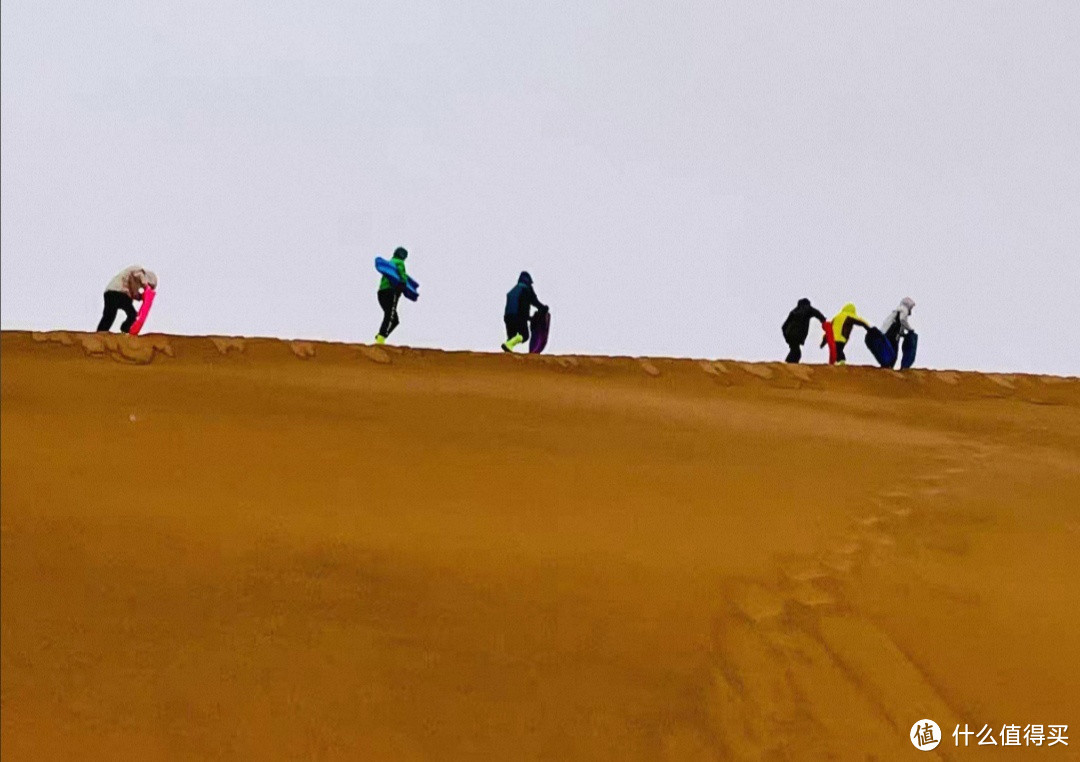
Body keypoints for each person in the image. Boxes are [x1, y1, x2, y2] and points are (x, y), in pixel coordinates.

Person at [96, 265, 158, 333]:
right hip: (119, 293)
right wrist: (146, 286)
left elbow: (133, 292)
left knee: (109, 315)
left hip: (110, 292)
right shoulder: (139, 271)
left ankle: (101, 332)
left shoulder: (135, 279)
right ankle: (124, 329)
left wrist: (141, 297)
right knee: (132, 314)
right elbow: (139, 277)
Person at [501, 271, 547, 352]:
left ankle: (507, 351)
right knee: (524, 335)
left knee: (512, 337)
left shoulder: (514, 290)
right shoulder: (526, 289)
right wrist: (543, 308)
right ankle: (508, 346)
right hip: (518, 316)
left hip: (508, 317)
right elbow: (533, 302)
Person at [375, 247, 409, 345]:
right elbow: (402, 276)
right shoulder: (400, 263)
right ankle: (381, 338)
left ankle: (380, 336)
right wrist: (403, 285)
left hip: (381, 292)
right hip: (391, 291)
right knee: (390, 316)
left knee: (394, 319)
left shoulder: (390, 263)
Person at [781, 298, 827, 363]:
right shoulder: (808, 308)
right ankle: (788, 366)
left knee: (795, 351)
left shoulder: (794, 311)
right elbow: (816, 313)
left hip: (789, 334)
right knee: (796, 352)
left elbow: (783, 326)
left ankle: (788, 365)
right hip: (797, 334)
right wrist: (823, 320)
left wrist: (786, 336)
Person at [881, 297, 917, 369]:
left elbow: (899, 325)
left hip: (888, 334)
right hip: (891, 335)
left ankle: (887, 368)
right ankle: (888, 369)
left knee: (890, 352)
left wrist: (903, 334)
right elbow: (902, 320)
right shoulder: (904, 309)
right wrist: (910, 329)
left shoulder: (898, 311)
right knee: (893, 353)